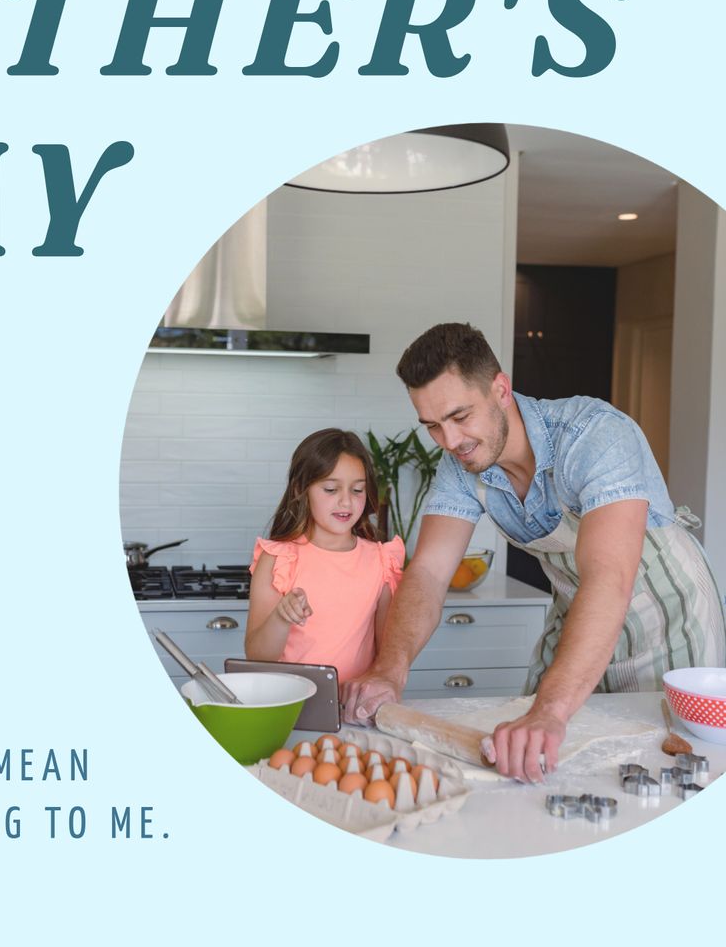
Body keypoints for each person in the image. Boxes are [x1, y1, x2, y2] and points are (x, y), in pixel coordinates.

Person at [342, 323, 726, 783]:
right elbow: (427, 572)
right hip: (577, 608)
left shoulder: (594, 435)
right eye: (432, 426)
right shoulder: (461, 467)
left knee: (670, 765)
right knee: (532, 762)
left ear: (500, 389)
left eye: (460, 416)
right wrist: (389, 669)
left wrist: (550, 710)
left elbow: (609, 577)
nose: (450, 441)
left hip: (666, 615)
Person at [245, 429, 405, 689]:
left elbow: (386, 656)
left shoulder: (381, 561)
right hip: (290, 707)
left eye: (357, 490)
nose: (346, 501)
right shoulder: (278, 559)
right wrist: (281, 618)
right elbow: (257, 656)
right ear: (301, 488)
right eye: (331, 489)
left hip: (353, 710)